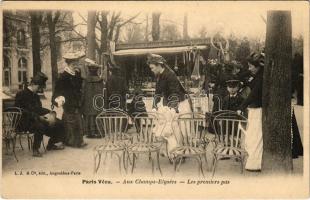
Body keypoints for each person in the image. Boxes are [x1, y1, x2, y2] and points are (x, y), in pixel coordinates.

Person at [15, 72, 65, 157]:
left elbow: (39, 109)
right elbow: (20, 111)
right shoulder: (21, 94)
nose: (39, 89)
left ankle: (51, 144)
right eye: (39, 87)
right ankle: (35, 149)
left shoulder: (36, 96)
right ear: (33, 84)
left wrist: (50, 112)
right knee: (40, 125)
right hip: (24, 121)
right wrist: (38, 117)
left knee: (59, 123)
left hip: (36, 119)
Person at [52, 52, 87, 148]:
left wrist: (79, 75)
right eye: (75, 63)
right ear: (70, 64)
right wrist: (57, 100)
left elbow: (78, 86)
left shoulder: (75, 74)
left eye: (77, 63)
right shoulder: (63, 76)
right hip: (68, 102)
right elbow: (58, 91)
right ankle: (73, 141)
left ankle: (77, 140)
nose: (77, 65)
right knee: (72, 120)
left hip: (76, 101)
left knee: (77, 119)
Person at [237, 52, 264, 171]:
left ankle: (256, 163)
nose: (249, 69)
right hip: (254, 109)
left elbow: (253, 95)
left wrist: (241, 106)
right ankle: (253, 161)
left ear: (257, 66)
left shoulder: (261, 78)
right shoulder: (257, 75)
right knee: (253, 135)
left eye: (250, 66)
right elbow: (242, 77)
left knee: (256, 136)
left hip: (258, 109)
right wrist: (249, 71)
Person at [81, 58, 103, 138]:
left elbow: (83, 92)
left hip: (88, 102)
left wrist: (82, 102)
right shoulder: (100, 80)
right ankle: (99, 131)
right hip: (98, 102)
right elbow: (102, 93)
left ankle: (90, 132)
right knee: (97, 115)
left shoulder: (85, 81)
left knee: (89, 115)